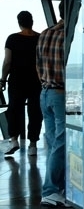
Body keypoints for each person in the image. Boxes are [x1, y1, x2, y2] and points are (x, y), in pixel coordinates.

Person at [2, 10, 42, 156]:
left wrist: (3, 78)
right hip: (36, 81)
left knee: (14, 110)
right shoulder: (40, 38)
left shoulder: (12, 38)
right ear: (32, 22)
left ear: (19, 23)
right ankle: (33, 145)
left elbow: (7, 61)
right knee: (35, 112)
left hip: (17, 80)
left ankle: (14, 140)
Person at [38, 1, 67, 207]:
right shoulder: (68, 35)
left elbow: (38, 65)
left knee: (53, 142)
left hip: (45, 92)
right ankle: (51, 190)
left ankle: (55, 189)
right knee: (61, 142)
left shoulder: (44, 33)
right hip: (60, 93)